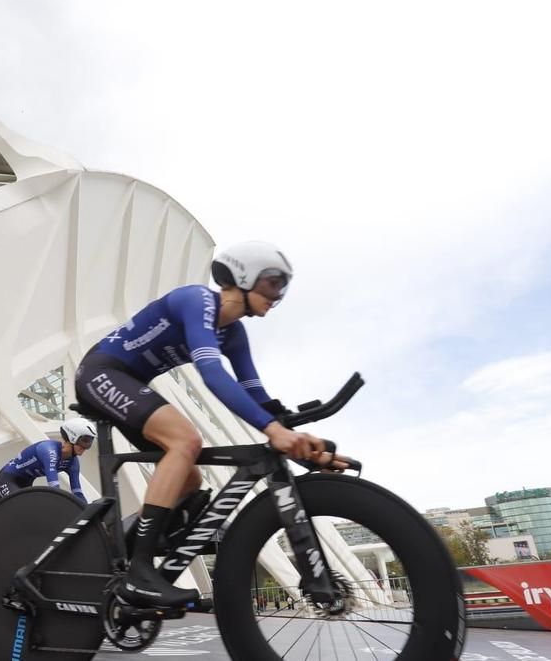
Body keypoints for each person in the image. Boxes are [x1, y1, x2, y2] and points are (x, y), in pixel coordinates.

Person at [75, 241, 350, 608]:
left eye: (283, 287)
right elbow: (212, 373)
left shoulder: (234, 334)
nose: (278, 295)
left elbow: (257, 396)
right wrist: (273, 430)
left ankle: (118, 543)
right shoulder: (197, 301)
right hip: (102, 372)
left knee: (189, 480)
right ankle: (140, 573)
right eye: (272, 283)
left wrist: (298, 440)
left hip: (132, 384)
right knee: (186, 441)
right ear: (242, 276)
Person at [0, 418, 95, 503]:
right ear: (73, 437)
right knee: (22, 506)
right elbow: (55, 489)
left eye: (89, 442)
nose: (86, 447)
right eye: (85, 441)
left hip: (26, 484)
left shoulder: (73, 463)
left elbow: (77, 493)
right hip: (6, 480)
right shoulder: (48, 450)